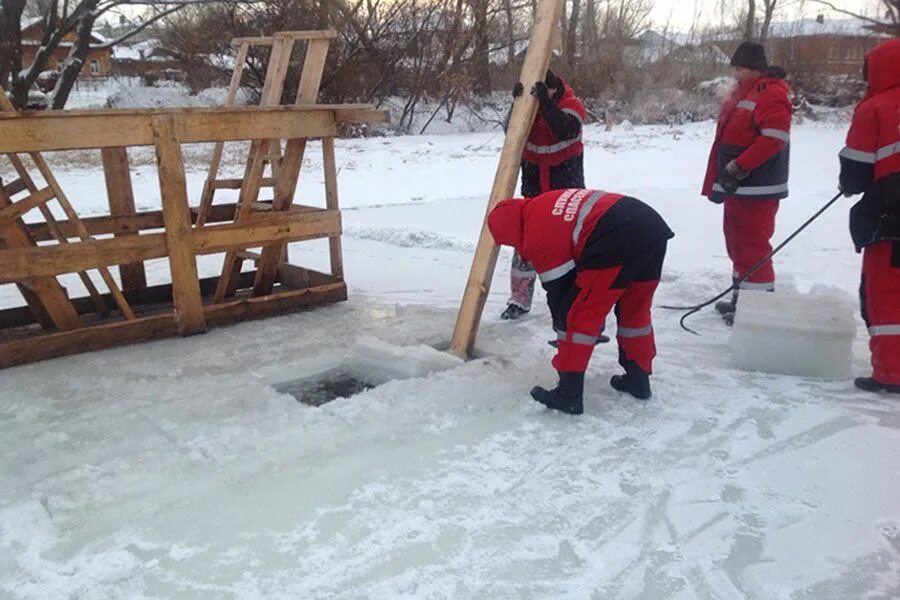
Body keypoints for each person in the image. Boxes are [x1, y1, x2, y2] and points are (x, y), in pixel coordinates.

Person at [488, 189, 674, 415]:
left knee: (575, 317)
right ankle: (638, 380)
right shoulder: (540, 205)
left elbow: (560, 291)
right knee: (635, 312)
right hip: (649, 227)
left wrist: (565, 334)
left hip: (618, 235)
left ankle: (568, 395)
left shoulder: (537, 236)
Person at [702, 41, 792, 324]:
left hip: (757, 185)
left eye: (740, 68)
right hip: (739, 184)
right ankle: (743, 300)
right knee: (737, 242)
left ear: (754, 68)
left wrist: (739, 165)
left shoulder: (771, 93)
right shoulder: (745, 91)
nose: (736, 74)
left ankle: (759, 310)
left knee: (752, 245)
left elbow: (774, 138)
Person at [838, 38, 900, 394]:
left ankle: (892, 373)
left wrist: (848, 184)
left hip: (893, 215)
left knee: (887, 292)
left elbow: (857, 169)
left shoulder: (876, 107)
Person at [501, 69, 586, 321]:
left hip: (565, 189)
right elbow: (510, 132)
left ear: (552, 89)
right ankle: (519, 299)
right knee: (525, 246)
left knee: (569, 247)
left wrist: (546, 104)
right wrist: (516, 104)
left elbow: (566, 130)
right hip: (534, 187)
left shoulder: (571, 104)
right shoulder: (529, 107)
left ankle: (578, 299)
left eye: (544, 92)